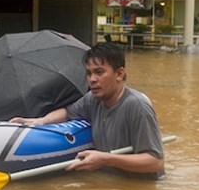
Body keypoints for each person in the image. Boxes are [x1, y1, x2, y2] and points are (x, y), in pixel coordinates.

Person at [10, 42, 165, 179]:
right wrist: (41, 121)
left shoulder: (137, 107)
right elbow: (68, 112)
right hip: (109, 183)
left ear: (119, 74)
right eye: (89, 73)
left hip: (138, 189)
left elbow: (155, 161)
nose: (92, 79)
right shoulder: (93, 99)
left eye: (99, 72)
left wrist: (107, 159)